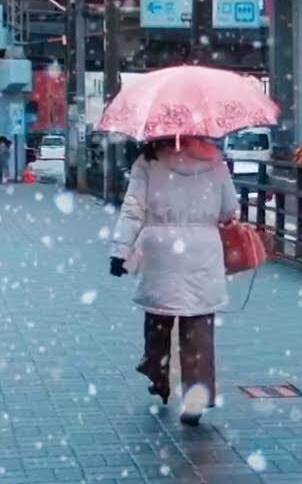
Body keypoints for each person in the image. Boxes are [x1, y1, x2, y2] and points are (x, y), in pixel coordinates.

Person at [108, 136, 238, 427]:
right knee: (198, 327)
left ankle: (157, 372)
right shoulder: (214, 160)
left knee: (158, 320)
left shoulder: (149, 160)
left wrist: (119, 250)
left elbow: (132, 210)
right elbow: (230, 207)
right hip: (202, 250)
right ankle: (197, 397)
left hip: (160, 249)